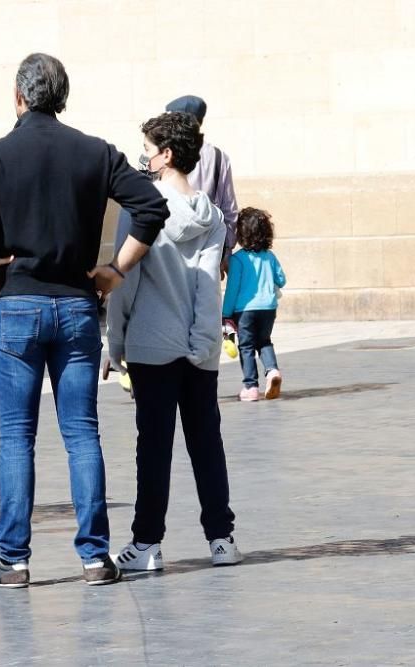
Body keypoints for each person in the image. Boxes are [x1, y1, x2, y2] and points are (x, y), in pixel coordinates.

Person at [0, 52, 169, 588]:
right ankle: (95, 556)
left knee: (16, 436)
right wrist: (115, 269)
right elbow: (151, 207)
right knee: (82, 433)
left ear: (19, 97)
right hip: (78, 305)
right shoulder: (96, 152)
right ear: (63, 98)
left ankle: (12, 560)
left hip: (19, 305)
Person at [106, 111, 243, 573]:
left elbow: (124, 280)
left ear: (165, 155)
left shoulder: (140, 208)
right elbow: (208, 283)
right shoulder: (213, 216)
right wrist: (202, 342)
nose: (142, 158)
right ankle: (221, 539)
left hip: (150, 343)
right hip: (198, 347)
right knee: (207, 442)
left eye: (146, 150)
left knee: (154, 447)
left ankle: (147, 544)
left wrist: (116, 342)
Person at [165, 95, 239, 278]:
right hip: (207, 248)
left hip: (168, 246)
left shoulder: (163, 153)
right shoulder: (218, 156)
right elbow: (229, 210)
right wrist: (225, 252)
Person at [222, 207, 287, 402]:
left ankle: (251, 387)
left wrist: (225, 314)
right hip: (268, 308)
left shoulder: (238, 260)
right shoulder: (270, 257)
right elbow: (281, 279)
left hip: (245, 311)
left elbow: (232, 289)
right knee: (264, 341)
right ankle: (272, 371)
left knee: (247, 347)